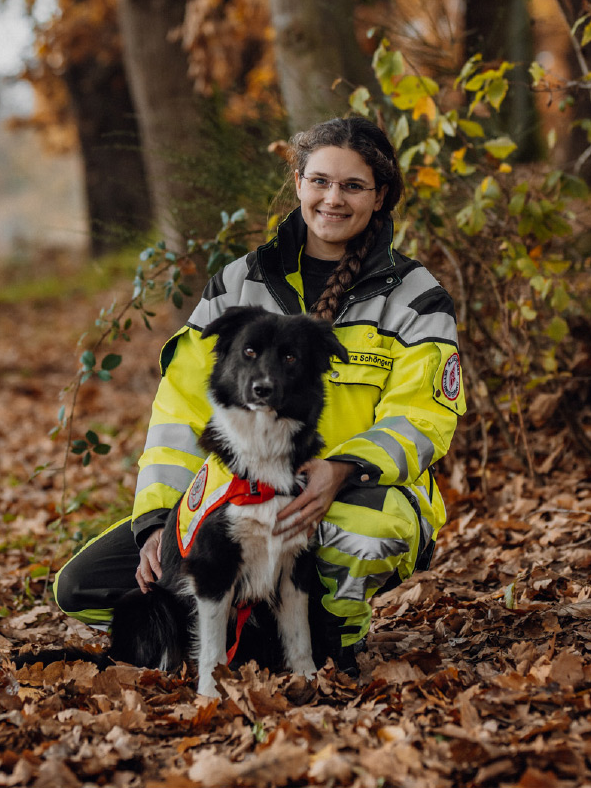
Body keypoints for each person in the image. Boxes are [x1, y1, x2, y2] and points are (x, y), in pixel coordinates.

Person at [53, 116, 466, 674]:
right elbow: (181, 410)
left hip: (357, 493)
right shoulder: (238, 283)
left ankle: (334, 642)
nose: (332, 199)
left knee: (359, 538)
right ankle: (241, 639)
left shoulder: (416, 298)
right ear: (297, 181)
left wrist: (340, 468)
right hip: (238, 495)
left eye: (352, 186)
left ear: (381, 195)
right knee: (83, 586)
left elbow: (423, 416)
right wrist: (158, 520)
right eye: (319, 180)